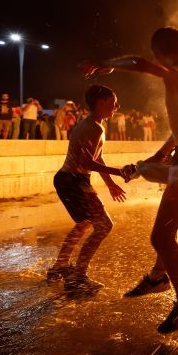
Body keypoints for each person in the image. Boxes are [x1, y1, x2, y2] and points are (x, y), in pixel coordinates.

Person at [80, 26, 178, 333]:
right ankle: (158, 275)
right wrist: (155, 158)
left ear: (159, 55)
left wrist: (107, 64)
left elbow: (140, 63)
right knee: (167, 227)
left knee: (161, 236)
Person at [47, 85, 133, 291]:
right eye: (114, 101)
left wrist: (111, 184)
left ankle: (60, 266)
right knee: (103, 226)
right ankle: (78, 276)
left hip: (72, 180)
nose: (117, 106)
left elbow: (97, 158)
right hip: (73, 181)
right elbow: (87, 163)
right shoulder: (93, 127)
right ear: (101, 102)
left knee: (85, 223)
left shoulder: (94, 125)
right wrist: (119, 172)